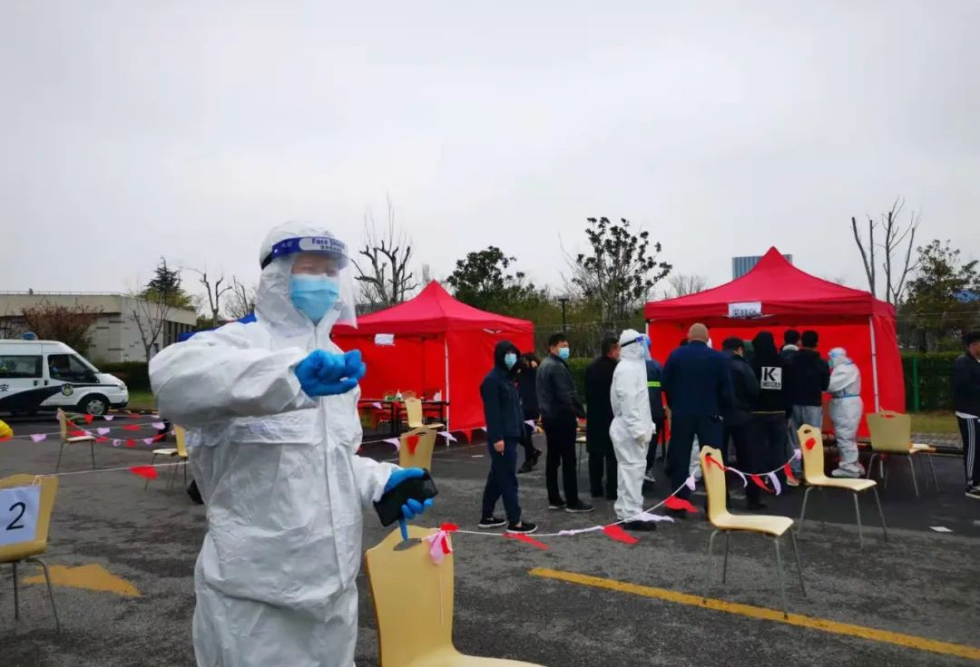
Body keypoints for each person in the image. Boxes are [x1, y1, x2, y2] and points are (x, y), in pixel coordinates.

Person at [149, 222, 433, 667]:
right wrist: (287, 377)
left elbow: (330, 459)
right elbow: (170, 378)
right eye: (309, 268)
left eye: (329, 271)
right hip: (255, 607)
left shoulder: (338, 363)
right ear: (276, 276)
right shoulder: (236, 345)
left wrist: (381, 482)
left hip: (333, 598)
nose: (321, 280)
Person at [662, 324, 732, 515]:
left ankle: (679, 503)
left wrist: (674, 403)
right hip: (710, 414)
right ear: (707, 337)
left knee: (681, 458)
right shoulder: (718, 358)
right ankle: (716, 504)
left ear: (689, 336)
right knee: (712, 460)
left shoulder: (676, 355)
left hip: (682, 414)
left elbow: (665, 382)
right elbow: (727, 390)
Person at [479, 341, 536, 533]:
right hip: (502, 437)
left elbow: (513, 408)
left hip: (512, 433)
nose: (512, 357)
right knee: (508, 479)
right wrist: (497, 438)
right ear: (500, 356)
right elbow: (492, 413)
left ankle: (487, 515)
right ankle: (515, 521)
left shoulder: (509, 378)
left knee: (497, 477)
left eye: (514, 353)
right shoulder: (492, 381)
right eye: (508, 354)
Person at [536, 332, 593, 513]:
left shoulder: (543, 365)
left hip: (549, 418)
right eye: (562, 345)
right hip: (562, 417)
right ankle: (572, 500)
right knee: (569, 459)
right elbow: (566, 394)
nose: (565, 349)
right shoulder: (557, 367)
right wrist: (579, 412)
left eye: (566, 345)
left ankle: (554, 498)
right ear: (552, 347)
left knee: (553, 459)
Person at [610, 330, 656, 531]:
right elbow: (628, 402)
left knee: (629, 471)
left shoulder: (633, 367)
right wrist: (638, 430)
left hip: (632, 428)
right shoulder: (628, 368)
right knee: (632, 471)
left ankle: (626, 510)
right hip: (630, 430)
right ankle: (631, 514)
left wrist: (647, 425)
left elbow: (640, 402)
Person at [721, 337, 764, 510]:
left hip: (720, 416)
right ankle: (753, 499)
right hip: (742, 416)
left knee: (720, 460)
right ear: (739, 349)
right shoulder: (742, 365)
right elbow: (754, 390)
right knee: (747, 458)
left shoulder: (715, 362)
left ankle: (721, 498)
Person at [784, 330, 829, 484]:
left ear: (801, 342)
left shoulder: (791, 360)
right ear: (816, 343)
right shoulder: (822, 363)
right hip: (813, 404)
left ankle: (796, 471)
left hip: (794, 402)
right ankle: (813, 471)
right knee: (812, 438)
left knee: (795, 439)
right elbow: (825, 385)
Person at [585, 334, 620, 500]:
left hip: (594, 416)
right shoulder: (617, 368)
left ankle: (595, 488)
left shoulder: (592, 367)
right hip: (612, 417)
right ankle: (612, 490)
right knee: (612, 456)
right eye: (618, 348)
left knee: (595, 455)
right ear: (612, 349)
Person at [749, 331, 789, 477]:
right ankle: (779, 479)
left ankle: (760, 478)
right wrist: (788, 410)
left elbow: (749, 387)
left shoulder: (752, 363)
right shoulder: (782, 362)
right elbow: (789, 387)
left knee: (758, 448)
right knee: (778, 449)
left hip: (757, 413)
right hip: (779, 412)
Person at [826, 346, 865, 478]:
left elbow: (830, 385)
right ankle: (853, 464)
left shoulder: (843, 370)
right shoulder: (849, 367)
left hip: (845, 405)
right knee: (848, 436)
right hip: (847, 404)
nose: (829, 361)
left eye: (831, 358)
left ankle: (848, 467)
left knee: (845, 436)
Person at [954, 332, 980, 499]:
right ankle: (971, 484)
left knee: (979, 449)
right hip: (968, 412)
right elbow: (963, 386)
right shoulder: (962, 363)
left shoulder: (977, 362)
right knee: (972, 449)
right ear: (973, 345)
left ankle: (977, 480)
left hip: (977, 411)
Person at [515, 352, 543, 474]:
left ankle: (528, 462)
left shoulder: (535, 372)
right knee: (518, 435)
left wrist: (535, 367)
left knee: (526, 435)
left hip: (534, 408)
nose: (524, 362)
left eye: (526, 360)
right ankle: (533, 451)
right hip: (522, 408)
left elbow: (541, 380)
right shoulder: (521, 373)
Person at [644, 350, 666, 482]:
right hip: (655, 411)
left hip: (639, 412)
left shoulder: (627, 366)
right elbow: (663, 385)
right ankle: (647, 470)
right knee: (652, 443)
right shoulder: (656, 366)